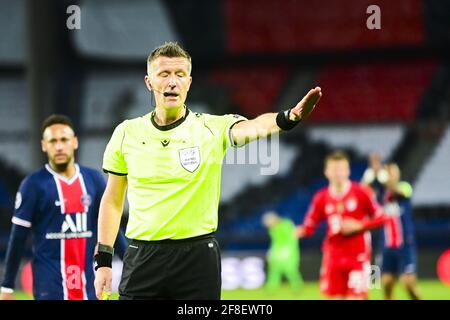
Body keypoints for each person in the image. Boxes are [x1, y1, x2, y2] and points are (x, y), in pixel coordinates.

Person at [94, 41, 322, 300]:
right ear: (149, 82)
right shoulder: (126, 132)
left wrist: (288, 118)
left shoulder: (212, 128)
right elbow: (113, 200)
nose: (172, 82)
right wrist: (103, 259)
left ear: (189, 82)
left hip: (198, 258)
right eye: (164, 74)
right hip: (143, 257)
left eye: (180, 75)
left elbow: (253, 126)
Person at [0, 115, 126, 300]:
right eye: (53, 141)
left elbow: (112, 229)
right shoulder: (33, 185)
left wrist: (132, 270)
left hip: (89, 289)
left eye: (64, 140)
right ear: (44, 145)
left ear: (74, 142)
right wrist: (7, 285)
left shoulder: (93, 180)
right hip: (49, 290)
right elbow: (18, 238)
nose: (59, 146)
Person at [295, 151, 387, 299]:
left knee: (356, 297)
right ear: (326, 172)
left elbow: (382, 217)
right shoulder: (321, 197)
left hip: (358, 256)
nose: (338, 173)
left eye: (341, 169)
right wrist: (300, 231)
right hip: (333, 257)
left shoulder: (361, 192)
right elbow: (309, 225)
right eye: (334, 169)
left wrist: (360, 225)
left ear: (348, 171)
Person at [379, 162, 421, 300]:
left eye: (393, 172)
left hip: (405, 245)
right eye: (389, 172)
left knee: (408, 283)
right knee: (386, 283)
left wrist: (387, 181)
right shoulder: (381, 195)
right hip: (387, 246)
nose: (391, 175)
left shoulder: (405, 187)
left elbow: (400, 192)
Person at [262, 211, 303, 292]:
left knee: (291, 270)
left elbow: (292, 239)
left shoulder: (287, 224)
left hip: (290, 252)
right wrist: (271, 251)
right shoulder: (272, 230)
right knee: (274, 270)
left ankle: (297, 287)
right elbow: (275, 242)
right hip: (277, 253)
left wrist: (287, 250)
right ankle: (271, 289)